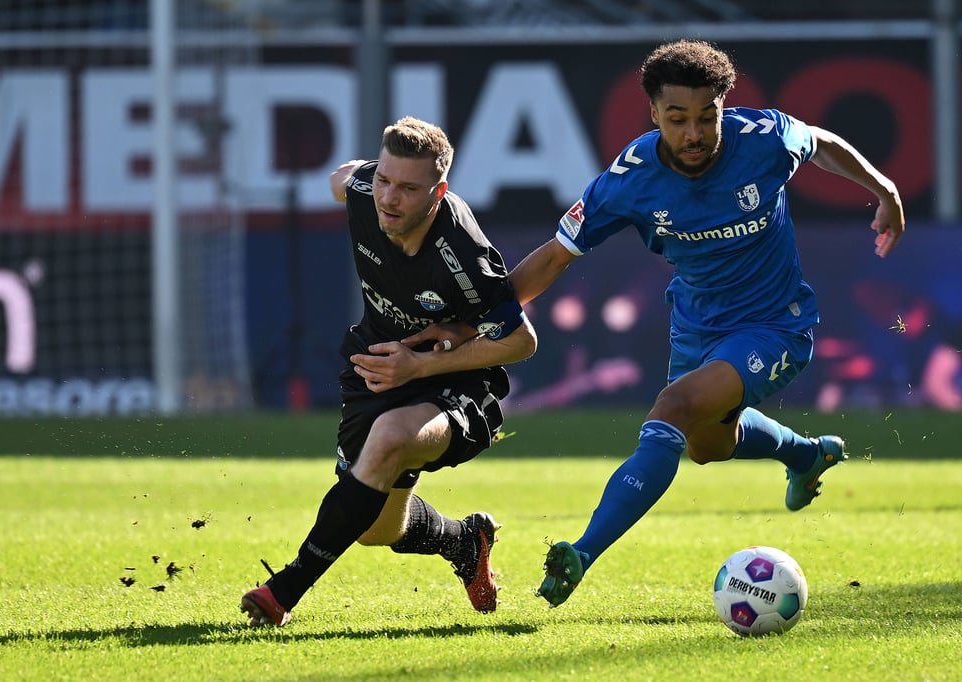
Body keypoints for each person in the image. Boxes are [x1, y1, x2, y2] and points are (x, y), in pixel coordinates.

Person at [408, 39, 904, 607]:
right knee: (707, 446)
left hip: (775, 325)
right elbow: (554, 256)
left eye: (706, 116)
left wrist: (884, 190)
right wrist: (477, 323)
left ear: (724, 106)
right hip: (697, 326)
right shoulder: (630, 179)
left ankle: (581, 553)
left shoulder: (764, 138)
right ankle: (805, 455)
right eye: (677, 118)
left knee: (672, 408)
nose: (694, 133)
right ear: (653, 114)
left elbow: (821, 142)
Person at [239, 116, 537, 626]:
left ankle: (283, 591)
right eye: (384, 180)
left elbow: (521, 341)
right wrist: (364, 174)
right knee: (374, 528)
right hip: (379, 365)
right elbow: (341, 177)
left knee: (392, 436)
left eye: (408, 188)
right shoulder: (364, 190)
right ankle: (464, 542)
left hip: (458, 381)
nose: (389, 199)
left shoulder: (463, 254)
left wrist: (423, 363)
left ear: (438, 193)